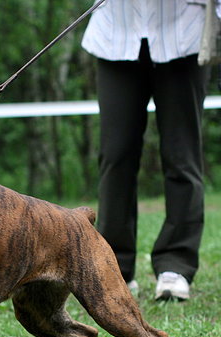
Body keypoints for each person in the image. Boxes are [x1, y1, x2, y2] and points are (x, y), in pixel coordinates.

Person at [82, 0, 214, 302]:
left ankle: (176, 266)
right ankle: (115, 266)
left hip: (184, 34)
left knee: (182, 157)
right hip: (115, 37)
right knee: (116, 156)